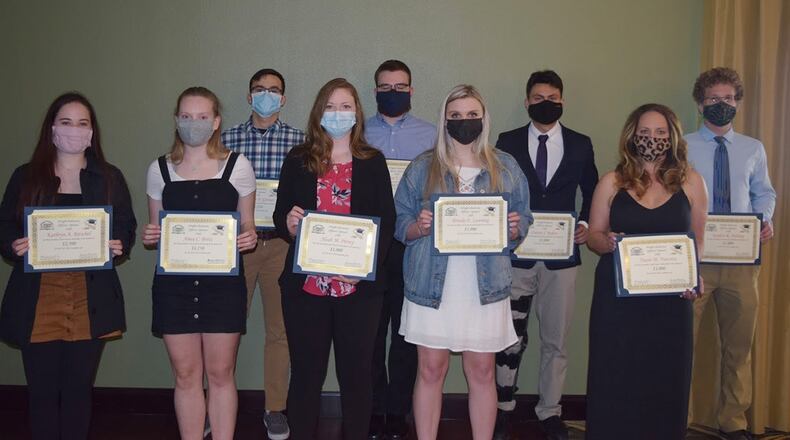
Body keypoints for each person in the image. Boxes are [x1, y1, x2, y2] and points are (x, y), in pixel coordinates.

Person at [394, 84, 532, 440]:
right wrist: (418, 226)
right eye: (455, 115)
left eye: (472, 114)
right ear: (445, 120)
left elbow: (523, 218)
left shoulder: (505, 166)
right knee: (430, 370)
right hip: (430, 284)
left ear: (484, 119)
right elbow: (400, 221)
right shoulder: (423, 166)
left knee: (483, 371)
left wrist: (514, 228)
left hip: (484, 287)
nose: (464, 121)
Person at [0, 92, 137, 440]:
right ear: (52, 128)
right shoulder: (26, 175)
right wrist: (13, 245)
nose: (74, 130)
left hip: (90, 297)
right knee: (42, 394)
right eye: (66, 122)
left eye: (82, 123)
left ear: (91, 131)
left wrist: (119, 243)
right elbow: (4, 226)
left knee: (79, 392)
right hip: (38, 297)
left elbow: (125, 225)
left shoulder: (109, 177)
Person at [273, 78, 395, 440]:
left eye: (345, 107)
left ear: (357, 113)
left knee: (356, 375)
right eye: (330, 106)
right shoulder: (298, 159)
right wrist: (288, 224)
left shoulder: (373, 162)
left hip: (358, 290)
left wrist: (365, 270)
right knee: (306, 375)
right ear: (318, 113)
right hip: (306, 288)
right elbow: (281, 215)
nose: (338, 113)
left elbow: (386, 222)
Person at [585, 103, 707, 439]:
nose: (652, 138)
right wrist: (607, 241)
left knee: (666, 378)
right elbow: (593, 236)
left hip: (671, 302)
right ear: (632, 136)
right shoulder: (611, 182)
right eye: (644, 132)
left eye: (660, 132)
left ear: (673, 137)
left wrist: (694, 275)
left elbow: (698, 240)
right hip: (617, 301)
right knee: (615, 375)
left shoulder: (692, 182)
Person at [142, 86, 257, 440]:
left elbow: (248, 226)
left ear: (216, 121)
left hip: (223, 288)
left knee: (221, 374)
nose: (194, 123)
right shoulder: (159, 169)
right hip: (174, 288)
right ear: (177, 120)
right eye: (187, 116)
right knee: (185, 376)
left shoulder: (238, 166)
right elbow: (156, 229)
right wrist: (151, 235)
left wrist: (249, 237)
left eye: (202, 116)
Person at [493, 70, 598, 440]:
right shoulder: (506, 141)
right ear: (527, 102)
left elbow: (593, 189)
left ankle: (550, 411)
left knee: (556, 340)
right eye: (538, 98)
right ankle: (502, 407)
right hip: (516, 256)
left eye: (552, 97)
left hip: (562, 258)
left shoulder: (581, 144)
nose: (545, 103)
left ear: (562, 101)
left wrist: (585, 223)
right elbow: (496, 189)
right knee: (508, 338)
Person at [685, 67, 776, 440]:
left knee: (739, 348)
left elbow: (764, 193)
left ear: (737, 102)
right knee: (683, 344)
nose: (721, 104)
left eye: (727, 98)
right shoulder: (682, 146)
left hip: (741, 262)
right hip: (695, 260)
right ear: (700, 103)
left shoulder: (753, 148)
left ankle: (733, 422)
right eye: (713, 98)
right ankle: (679, 417)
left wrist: (764, 221)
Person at [221, 67, 304, 440]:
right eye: (259, 89)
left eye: (273, 90)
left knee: (280, 330)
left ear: (283, 98)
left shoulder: (301, 142)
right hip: (237, 246)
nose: (266, 95)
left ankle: (275, 408)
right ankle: (217, 405)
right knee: (225, 328)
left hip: (281, 246)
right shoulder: (226, 140)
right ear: (249, 95)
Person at [363, 59, 436, 440]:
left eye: (400, 87)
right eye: (386, 87)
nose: (393, 93)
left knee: (407, 334)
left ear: (411, 90)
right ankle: (374, 409)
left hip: (412, 244)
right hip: (370, 246)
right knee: (372, 333)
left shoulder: (431, 135)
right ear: (375, 91)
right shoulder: (358, 133)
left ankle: (398, 410)